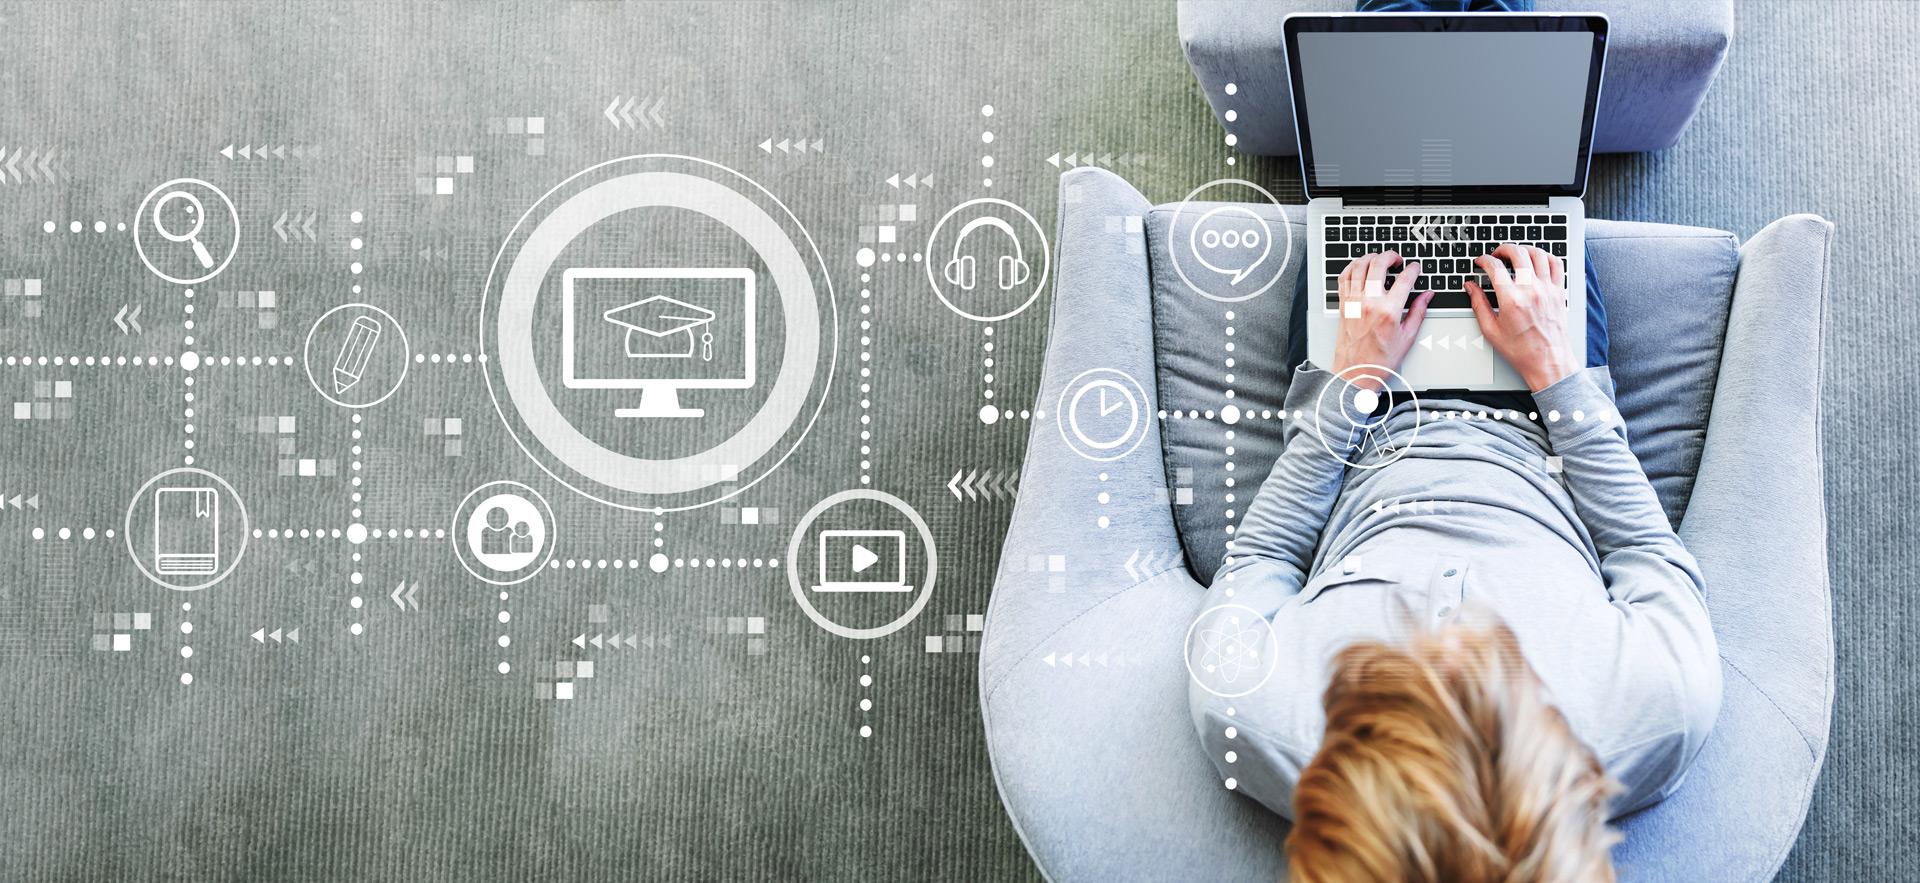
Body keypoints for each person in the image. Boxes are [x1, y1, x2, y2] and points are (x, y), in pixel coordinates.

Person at [1191, 245, 1722, 881]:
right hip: (1544, 415)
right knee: (1532, 188)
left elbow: (1264, 555)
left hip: (1365, 417)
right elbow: (1643, 550)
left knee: (1355, 197)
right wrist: (1555, 372)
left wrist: (1351, 385)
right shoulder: (1661, 707)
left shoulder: (1245, 709)